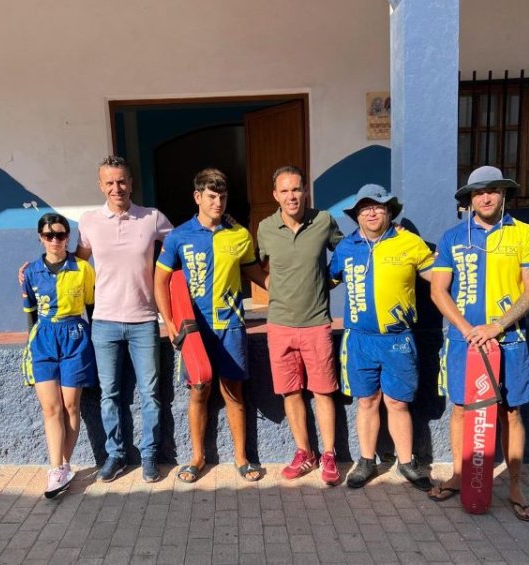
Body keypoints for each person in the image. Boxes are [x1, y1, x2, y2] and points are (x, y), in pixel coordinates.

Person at [428, 166, 529, 522]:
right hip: (465, 342)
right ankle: (461, 475)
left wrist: (496, 325)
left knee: (511, 411)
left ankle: (514, 486)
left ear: (504, 193)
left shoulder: (524, 234)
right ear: (469, 199)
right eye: (478, 192)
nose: (485, 197)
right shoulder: (452, 237)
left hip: (509, 340)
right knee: (461, 409)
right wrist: (467, 329)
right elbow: (438, 290)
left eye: (492, 190)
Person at [154, 168, 267, 483]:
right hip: (194, 331)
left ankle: (242, 458)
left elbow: (259, 276)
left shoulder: (240, 234)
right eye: (212, 196)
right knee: (199, 392)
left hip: (230, 326)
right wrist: (170, 322)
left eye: (223, 196)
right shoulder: (178, 236)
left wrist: (295, 283)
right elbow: (160, 280)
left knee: (233, 393)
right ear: (198, 197)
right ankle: (197, 457)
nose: (218, 202)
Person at [329, 185, 435, 490]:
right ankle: (366, 461)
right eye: (365, 208)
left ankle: (406, 462)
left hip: (398, 339)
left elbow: (438, 278)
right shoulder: (346, 248)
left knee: (398, 403)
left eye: (378, 207)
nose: (371, 212)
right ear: (357, 216)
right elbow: (323, 281)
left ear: (389, 212)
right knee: (367, 401)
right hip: (360, 340)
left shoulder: (409, 243)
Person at [77, 156, 173, 483]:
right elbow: (73, 264)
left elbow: (179, 246)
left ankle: (148, 456)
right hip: (103, 322)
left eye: (122, 181)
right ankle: (116, 455)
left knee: (150, 392)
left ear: (131, 183)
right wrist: (34, 271)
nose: (117, 188)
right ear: (101, 185)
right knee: (110, 394)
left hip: (144, 320)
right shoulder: (88, 222)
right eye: (110, 183)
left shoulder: (152, 218)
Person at [257, 165, 343, 486]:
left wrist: (328, 281)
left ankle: (330, 454)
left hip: (316, 323)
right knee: (290, 391)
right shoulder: (265, 228)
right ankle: (304, 452)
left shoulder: (323, 221)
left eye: (297, 189)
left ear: (305, 191)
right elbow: (254, 264)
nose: (292, 196)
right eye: (285, 191)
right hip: (279, 325)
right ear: (275, 195)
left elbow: (346, 252)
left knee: (323, 391)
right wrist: (273, 287)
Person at [21, 213, 96, 498]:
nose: (55, 240)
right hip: (43, 340)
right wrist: (31, 345)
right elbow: (29, 313)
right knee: (50, 408)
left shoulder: (82, 268)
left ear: (68, 237)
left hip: (74, 336)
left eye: (61, 235)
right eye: (49, 235)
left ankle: (65, 464)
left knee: (70, 407)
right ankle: (55, 469)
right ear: (40, 237)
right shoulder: (30, 272)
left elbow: (92, 307)